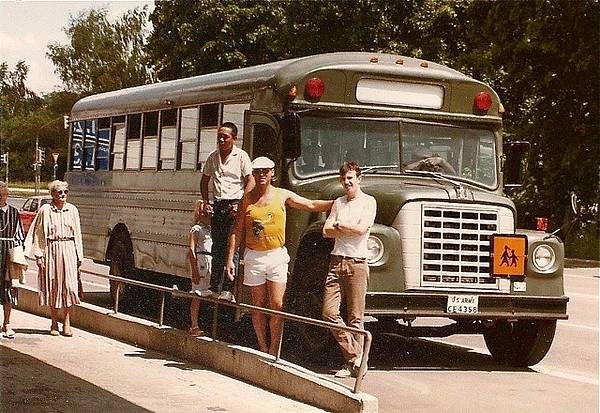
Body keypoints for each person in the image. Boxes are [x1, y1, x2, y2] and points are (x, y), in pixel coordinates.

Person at [225, 156, 333, 355]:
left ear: (272, 173)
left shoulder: (282, 195)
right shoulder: (246, 200)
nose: (261, 175)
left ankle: (274, 347)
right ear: (253, 174)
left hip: (276, 255)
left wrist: (336, 203)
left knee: (277, 304)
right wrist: (230, 258)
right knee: (257, 304)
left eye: (265, 171)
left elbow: (310, 205)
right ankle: (263, 346)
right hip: (254, 256)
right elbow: (237, 230)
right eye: (258, 172)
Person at [322, 161, 377, 378]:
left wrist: (340, 225)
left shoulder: (368, 202)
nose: (347, 182)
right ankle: (357, 357)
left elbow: (361, 229)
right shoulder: (338, 202)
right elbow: (326, 230)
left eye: (350, 178)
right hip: (337, 261)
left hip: (358, 263)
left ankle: (352, 365)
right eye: (343, 179)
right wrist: (344, 228)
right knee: (329, 312)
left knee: (356, 316)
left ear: (359, 179)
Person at [200, 122, 255, 302]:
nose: (222, 140)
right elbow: (204, 180)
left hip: (234, 204)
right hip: (218, 204)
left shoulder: (241, 156)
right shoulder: (213, 157)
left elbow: (251, 181)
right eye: (219, 137)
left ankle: (228, 289)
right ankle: (213, 286)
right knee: (217, 246)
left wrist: (241, 203)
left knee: (233, 247)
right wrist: (207, 201)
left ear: (234, 138)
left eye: (225, 137)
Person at [25, 180, 83, 337]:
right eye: (60, 192)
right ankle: (54, 322)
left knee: (69, 287)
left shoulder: (72, 210)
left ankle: (67, 322)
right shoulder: (45, 210)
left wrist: (79, 256)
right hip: (51, 249)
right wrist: (39, 255)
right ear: (53, 194)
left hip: (69, 248)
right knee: (53, 285)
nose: (63, 195)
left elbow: (77, 234)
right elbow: (39, 233)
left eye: (65, 192)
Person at [0, 182, 25, 339]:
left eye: (2, 195)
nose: (0, 198)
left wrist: (18, 255)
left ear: (7, 196)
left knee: (9, 288)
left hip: (8, 253)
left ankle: (7, 323)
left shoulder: (14, 212)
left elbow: (19, 234)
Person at [188, 200, 212, 336]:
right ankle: (194, 325)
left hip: (210, 260)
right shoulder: (196, 229)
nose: (206, 214)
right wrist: (195, 271)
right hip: (201, 260)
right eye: (203, 211)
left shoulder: (211, 229)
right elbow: (191, 250)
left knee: (208, 293)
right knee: (197, 294)